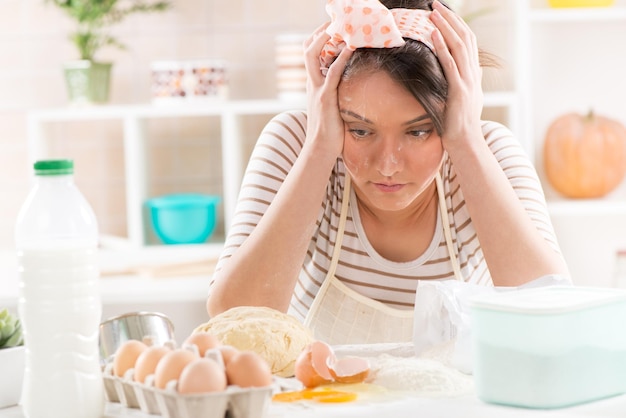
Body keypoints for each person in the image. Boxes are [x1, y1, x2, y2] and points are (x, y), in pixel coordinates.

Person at [206, 0, 570, 344]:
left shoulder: (487, 151)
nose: (388, 164)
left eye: (418, 130)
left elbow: (550, 313)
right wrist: (319, 148)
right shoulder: (296, 144)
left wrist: (466, 141)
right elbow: (233, 317)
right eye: (361, 130)